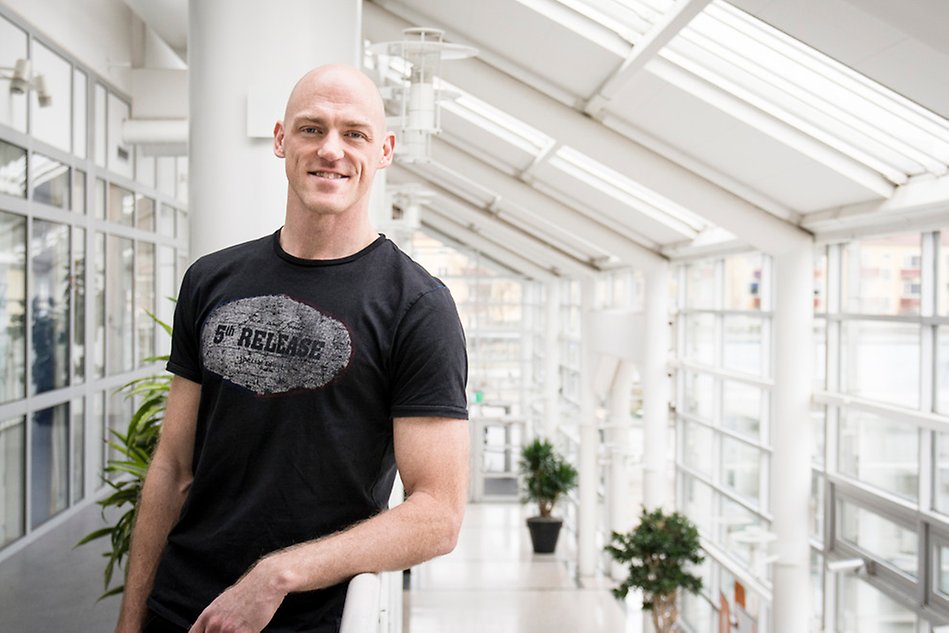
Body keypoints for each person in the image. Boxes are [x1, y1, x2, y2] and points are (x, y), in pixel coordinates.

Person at [114, 64, 470, 633]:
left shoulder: (417, 306)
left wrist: (278, 574)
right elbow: (172, 466)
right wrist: (131, 621)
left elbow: (438, 515)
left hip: (306, 620)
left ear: (385, 150)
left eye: (354, 133)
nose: (331, 149)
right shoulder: (210, 280)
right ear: (282, 139)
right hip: (179, 612)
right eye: (312, 129)